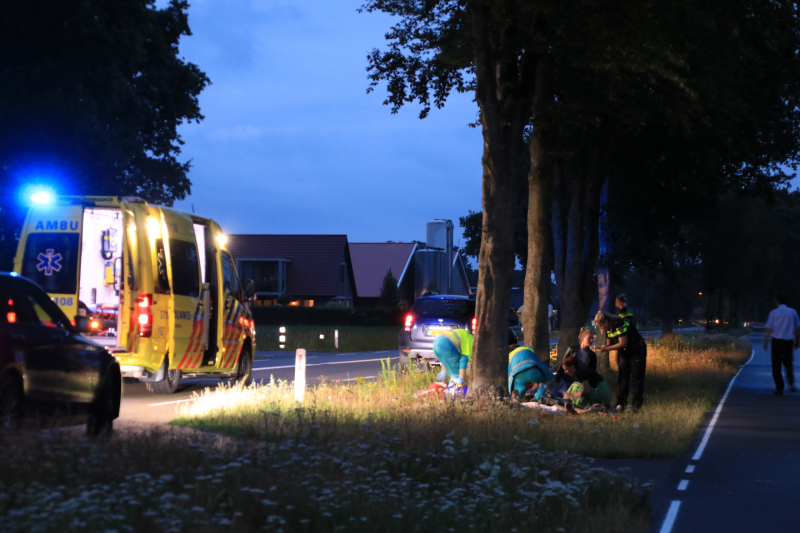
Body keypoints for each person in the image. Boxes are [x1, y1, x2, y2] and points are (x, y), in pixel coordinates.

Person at [595, 310, 647, 412]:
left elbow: (623, 343)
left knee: (636, 377)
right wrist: (604, 346)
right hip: (624, 353)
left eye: (601, 325)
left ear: (605, 321)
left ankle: (636, 404)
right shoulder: (607, 329)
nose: (601, 328)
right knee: (623, 377)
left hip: (636, 350)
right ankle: (620, 403)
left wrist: (606, 349)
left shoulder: (619, 323)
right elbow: (610, 342)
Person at [762, 293, 800, 395]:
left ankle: (779, 388)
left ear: (776, 301)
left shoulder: (773, 313)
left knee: (776, 365)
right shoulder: (792, 312)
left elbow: (769, 329)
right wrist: (797, 341)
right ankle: (791, 384)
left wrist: (765, 341)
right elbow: (797, 328)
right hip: (788, 342)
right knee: (788, 364)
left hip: (776, 341)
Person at [508, 333, 554, 402]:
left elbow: (509, 375)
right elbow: (540, 364)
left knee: (519, 388)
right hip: (533, 370)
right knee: (547, 379)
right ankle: (537, 398)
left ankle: (518, 400)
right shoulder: (528, 350)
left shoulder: (510, 356)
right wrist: (549, 374)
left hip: (518, 374)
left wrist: (510, 390)